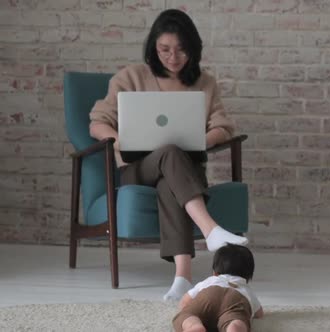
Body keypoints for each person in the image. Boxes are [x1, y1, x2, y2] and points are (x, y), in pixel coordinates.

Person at [88, 8, 248, 301]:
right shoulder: (130, 77)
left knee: (170, 170)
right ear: (153, 48)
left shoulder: (204, 82)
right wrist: (118, 139)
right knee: (169, 153)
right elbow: (97, 121)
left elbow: (224, 127)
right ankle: (211, 230)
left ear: (193, 50)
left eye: (181, 50)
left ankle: (183, 279)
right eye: (164, 50)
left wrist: (198, 140)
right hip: (138, 168)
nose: (173, 57)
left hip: (183, 171)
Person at [173, 244, 263, 332]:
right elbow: (259, 313)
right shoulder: (246, 289)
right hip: (236, 299)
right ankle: (234, 326)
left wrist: (188, 311)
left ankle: (195, 325)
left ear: (215, 272)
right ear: (248, 276)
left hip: (210, 294)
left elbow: (185, 300)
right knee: (237, 319)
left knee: (188, 315)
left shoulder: (211, 280)